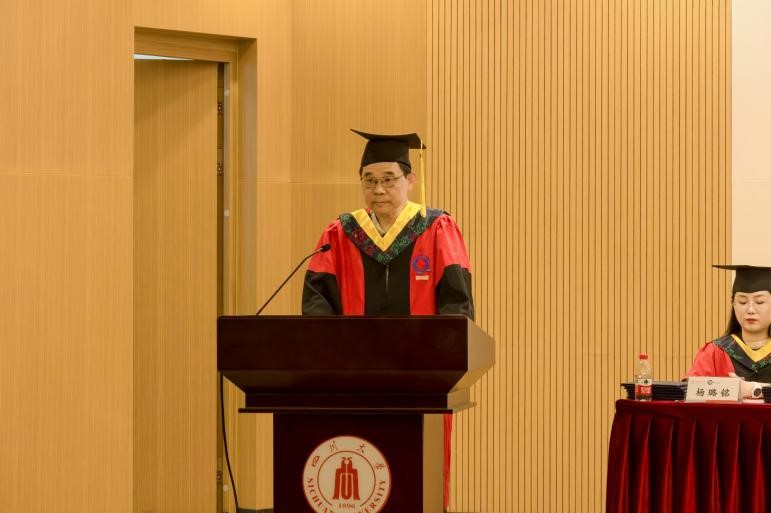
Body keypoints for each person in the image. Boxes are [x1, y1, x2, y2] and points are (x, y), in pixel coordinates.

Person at [302, 129, 474, 509]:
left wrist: (441, 361)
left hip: (421, 381)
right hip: (354, 382)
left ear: (410, 180)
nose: (378, 190)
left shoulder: (436, 228)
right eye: (369, 180)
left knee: (416, 479)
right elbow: (317, 304)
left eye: (388, 179)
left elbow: (456, 303)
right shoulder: (340, 233)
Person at [686, 265, 771, 395]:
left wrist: (752, 388)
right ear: (733, 303)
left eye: (759, 302)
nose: (750, 310)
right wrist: (730, 388)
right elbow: (690, 391)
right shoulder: (714, 352)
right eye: (742, 302)